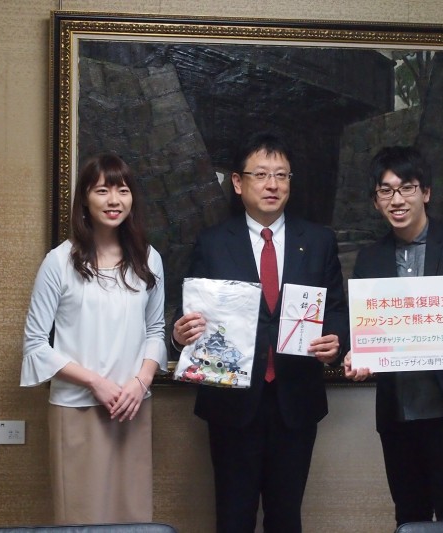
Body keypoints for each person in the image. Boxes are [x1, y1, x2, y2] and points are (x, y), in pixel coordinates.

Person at [171, 132, 349, 533]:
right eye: (262, 175)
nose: (273, 185)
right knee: (233, 517)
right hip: (232, 404)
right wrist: (180, 334)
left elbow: (336, 310)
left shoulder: (317, 241)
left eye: (282, 175)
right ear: (238, 183)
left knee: (286, 518)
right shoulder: (213, 243)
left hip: (295, 400)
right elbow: (187, 314)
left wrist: (336, 341)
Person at [344, 145, 443, 525]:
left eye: (407, 188)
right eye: (386, 191)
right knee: (408, 518)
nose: (397, 200)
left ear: (426, 192)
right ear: (376, 201)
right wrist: (356, 354)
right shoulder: (370, 259)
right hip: (399, 413)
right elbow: (365, 331)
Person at [21, 153, 166, 524]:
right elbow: (36, 344)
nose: (114, 200)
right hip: (77, 408)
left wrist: (141, 382)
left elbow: (155, 331)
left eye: (123, 190)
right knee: (80, 518)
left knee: (132, 517)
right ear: (85, 199)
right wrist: (96, 382)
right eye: (102, 190)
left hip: (132, 407)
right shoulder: (59, 262)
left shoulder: (149, 259)